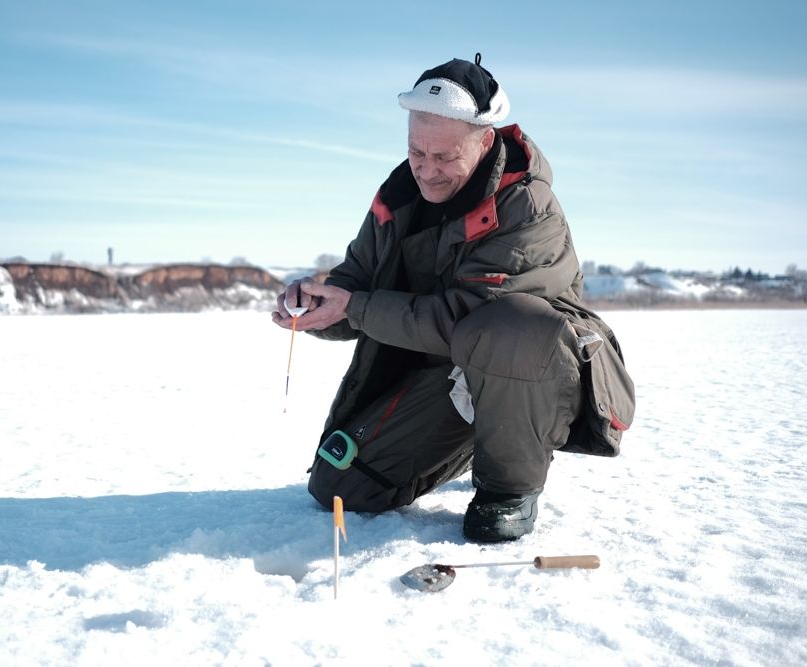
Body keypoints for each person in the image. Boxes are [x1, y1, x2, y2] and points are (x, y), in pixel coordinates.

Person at [272, 55, 635, 542]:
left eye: (444, 157)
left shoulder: (527, 206)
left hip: (531, 368)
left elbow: (463, 317)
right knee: (342, 489)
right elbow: (356, 280)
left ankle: (508, 488)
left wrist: (355, 309)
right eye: (417, 152)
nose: (427, 170)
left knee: (509, 327)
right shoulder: (398, 195)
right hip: (444, 374)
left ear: (485, 141)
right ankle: (477, 433)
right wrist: (321, 306)